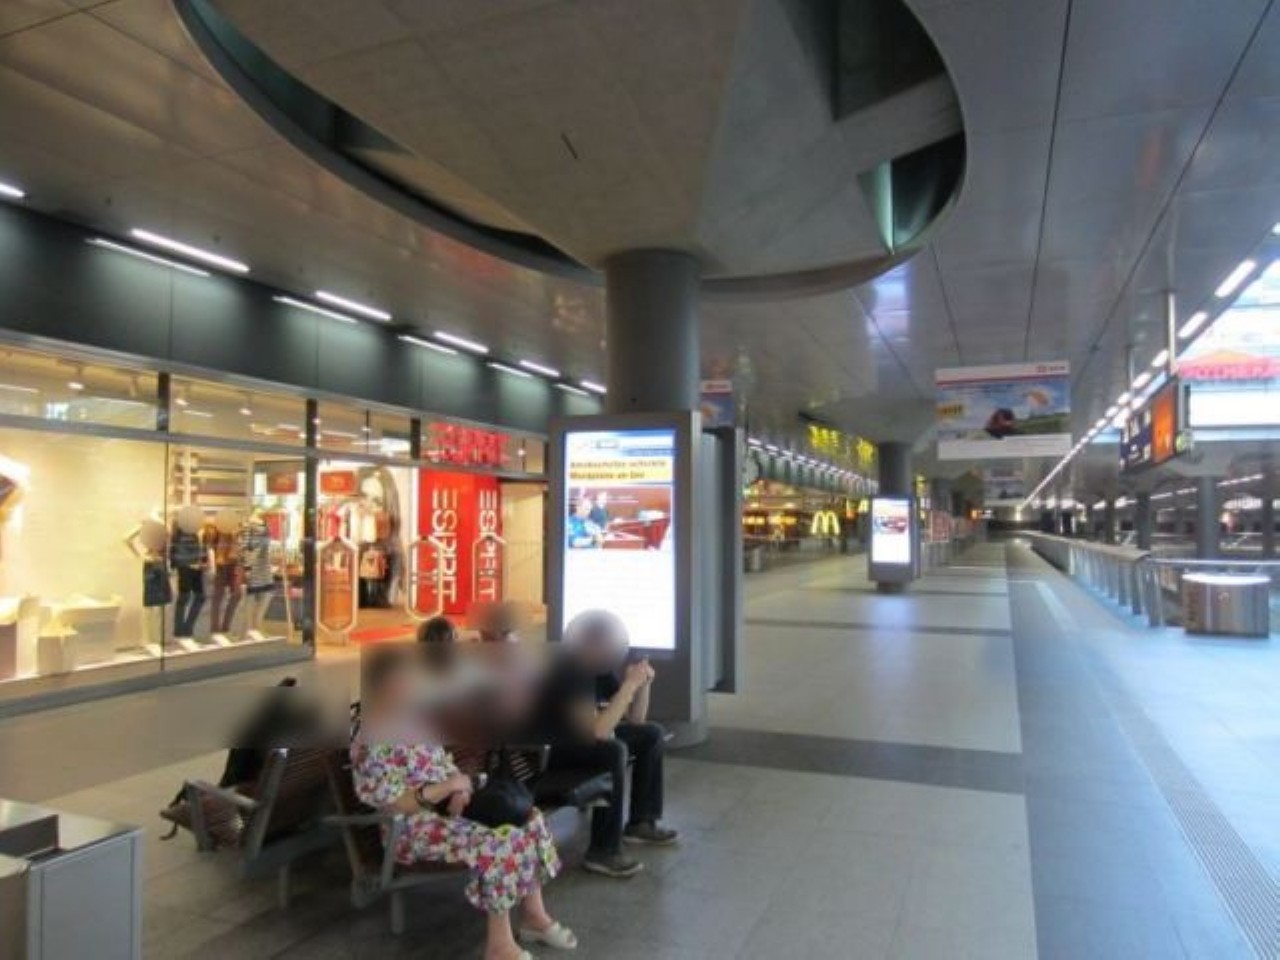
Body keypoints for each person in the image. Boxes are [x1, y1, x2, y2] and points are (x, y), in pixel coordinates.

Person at [351, 647, 576, 959]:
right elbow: (397, 805)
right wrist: (447, 787)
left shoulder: (415, 721)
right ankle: (499, 947)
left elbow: (445, 767)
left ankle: (535, 917)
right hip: (411, 829)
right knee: (499, 841)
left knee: (530, 818)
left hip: (448, 814)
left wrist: (459, 791)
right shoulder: (371, 739)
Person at [530, 610, 678, 879]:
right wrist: (628, 686)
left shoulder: (599, 669)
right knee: (612, 751)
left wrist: (643, 684)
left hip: (578, 740)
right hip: (552, 750)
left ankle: (641, 822)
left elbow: (635, 719)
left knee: (651, 734)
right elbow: (597, 732)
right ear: (588, 643)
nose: (611, 650)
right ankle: (603, 850)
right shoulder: (569, 671)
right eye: (605, 643)